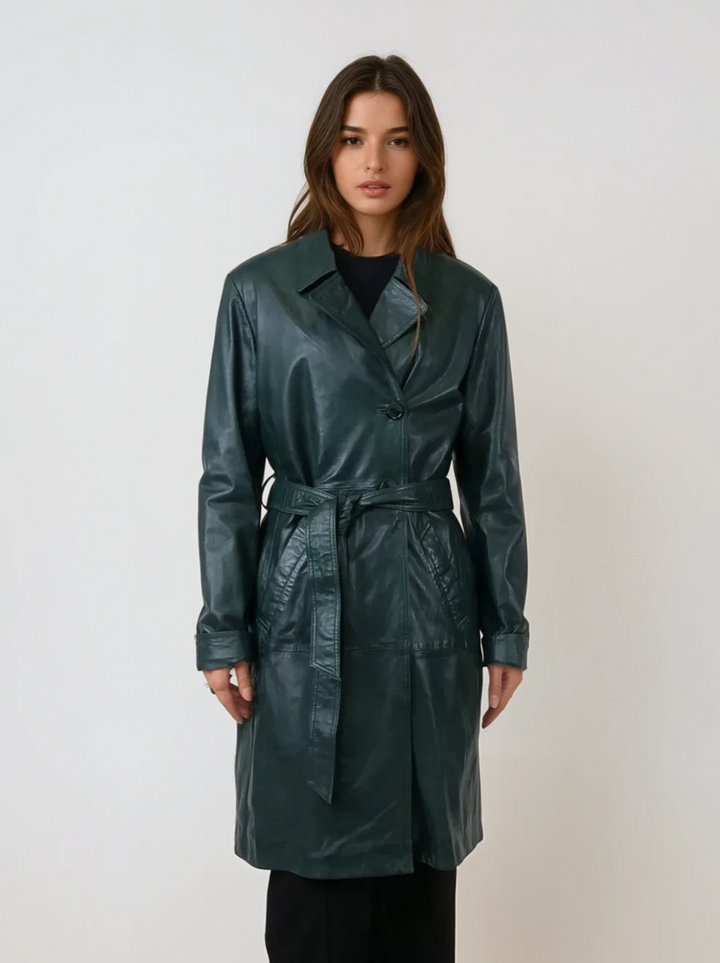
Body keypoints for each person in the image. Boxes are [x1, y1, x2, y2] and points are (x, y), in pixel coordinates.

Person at [194, 53, 530, 962]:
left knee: (417, 887)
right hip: (305, 601)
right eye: (352, 139)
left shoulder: (468, 300)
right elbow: (228, 475)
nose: (373, 161)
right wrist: (224, 630)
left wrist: (505, 625)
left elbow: (492, 478)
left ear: (424, 156)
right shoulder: (259, 292)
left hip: (426, 602)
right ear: (326, 152)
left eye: (396, 139)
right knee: (313, 887)